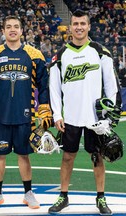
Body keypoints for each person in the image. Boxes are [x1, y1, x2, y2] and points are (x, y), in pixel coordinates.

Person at [48, 9, 121, 215]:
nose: (79, 27)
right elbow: (54, 88)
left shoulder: (100, 51)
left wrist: (108, 116)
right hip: (70, 116)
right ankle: (63, 196)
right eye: (75, 24)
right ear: (70, 28)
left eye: (82, 24)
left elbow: (111, 86)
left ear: (88, 26)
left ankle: (101, 198)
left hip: (95, 119)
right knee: (68, 157)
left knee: (97, 156)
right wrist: (57, 115)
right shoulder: (60, 56)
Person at [0, 15, 52, 209]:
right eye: (8, 27)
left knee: (23, 155)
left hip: (24, 115)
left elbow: (44, 85)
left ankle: (28, 193)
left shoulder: (34, 55)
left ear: (21, 30)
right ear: (2, 31)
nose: (12, 30)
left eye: (16, 27)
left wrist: (44, 108)